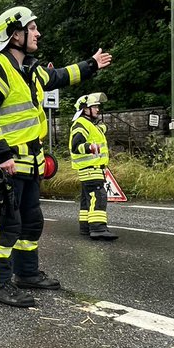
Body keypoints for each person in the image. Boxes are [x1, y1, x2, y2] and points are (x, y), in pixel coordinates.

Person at [0, 6, 112, 308]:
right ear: (15, 34)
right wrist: (1, 155)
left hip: (30, 164)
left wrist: (92, 64)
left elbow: (61, 76)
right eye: (33, 28)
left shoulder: (31, 71)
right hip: (7, 166)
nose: (38, 33)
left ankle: (27, 274)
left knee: (31, 222)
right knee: (6, 224)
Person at [70, 92, 118, 241]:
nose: (97, 109)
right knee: (99, 196)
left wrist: (101, 127)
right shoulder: (81, 124)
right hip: (91, 168)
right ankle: (98, 228)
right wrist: (90, 147)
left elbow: (101, 130)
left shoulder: (89, 124)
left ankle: (85, 227)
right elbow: (75, 146)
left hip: (91, 169)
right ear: (85, 109)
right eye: (94, 107)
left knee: (87, 198)